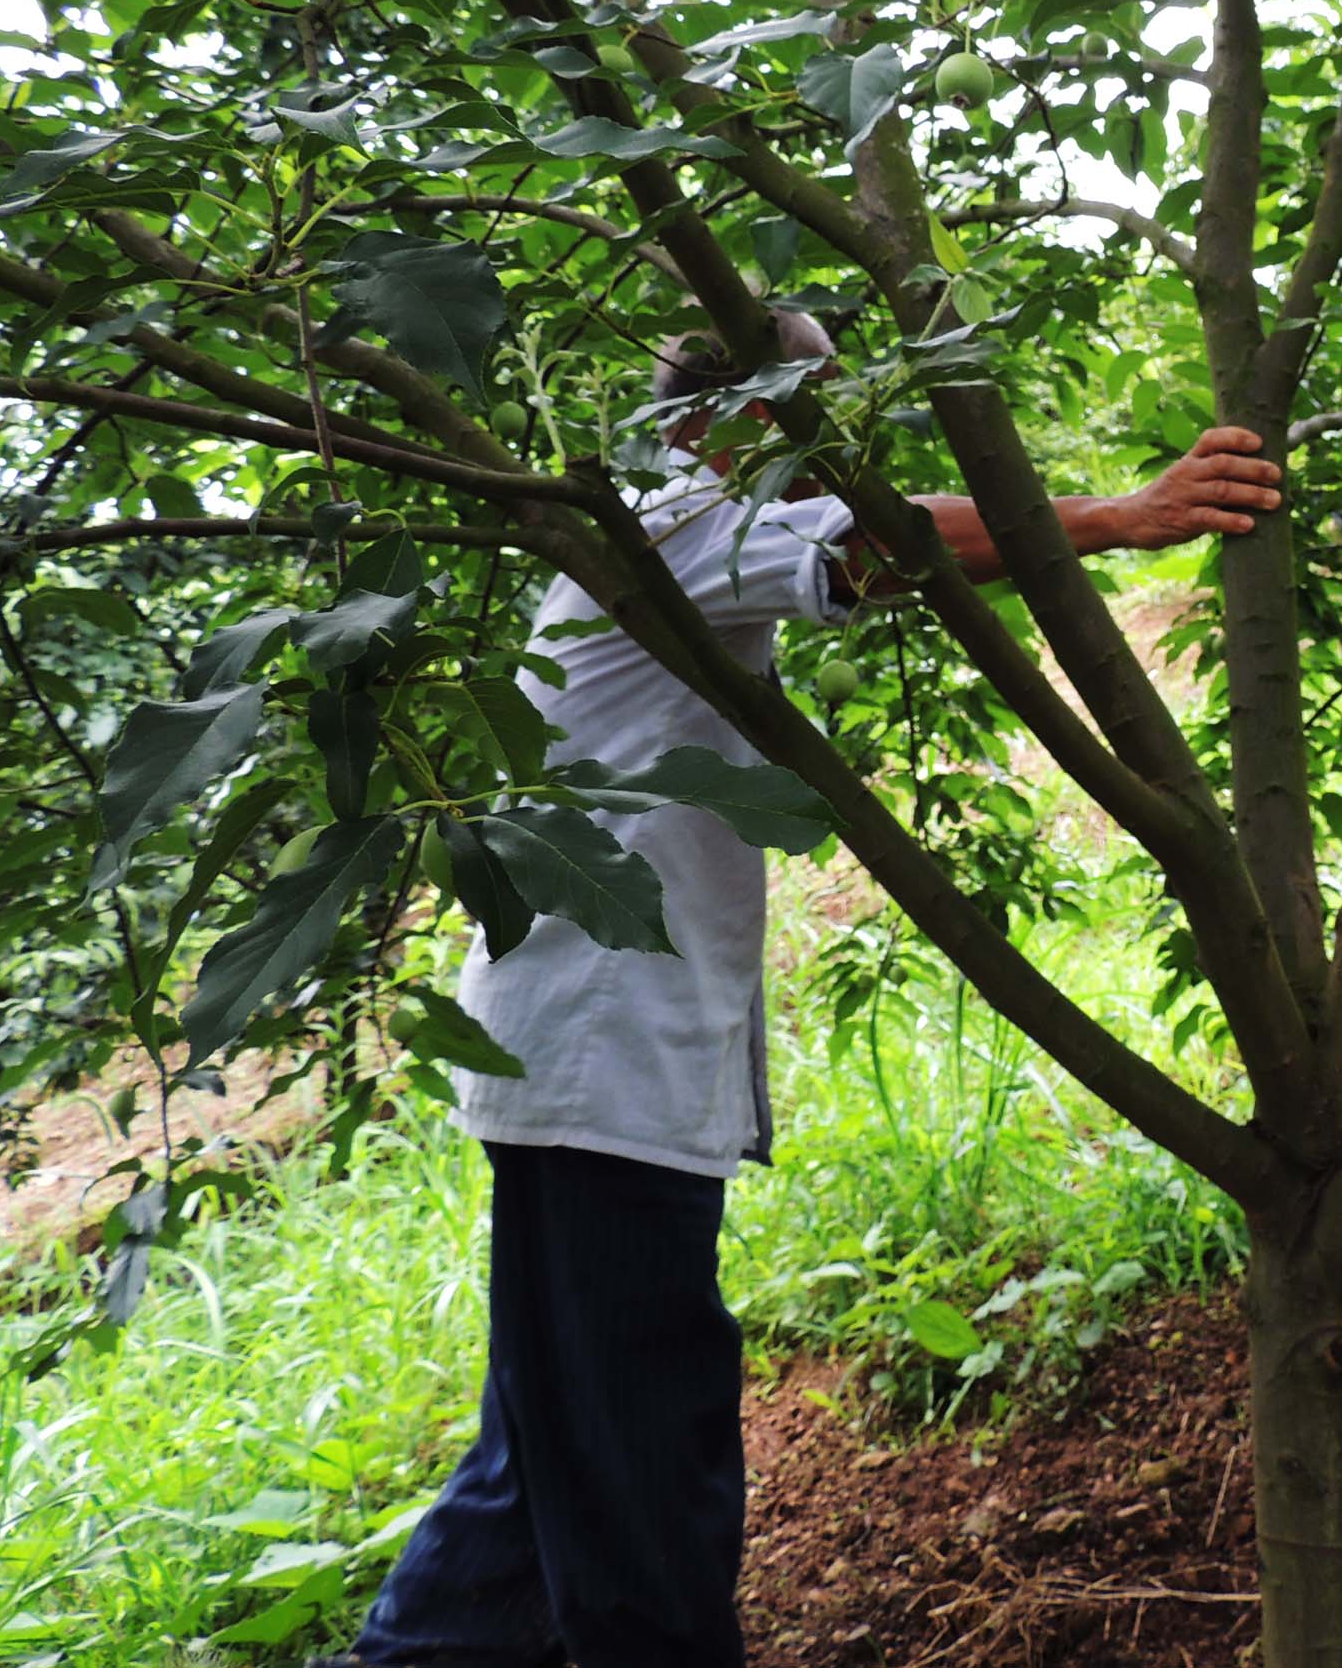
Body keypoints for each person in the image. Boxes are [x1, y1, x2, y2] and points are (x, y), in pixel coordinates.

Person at [318, 309, 1284, 1668]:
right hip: (602, 1067)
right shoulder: (668, 516)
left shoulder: (666, 522)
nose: (842, 449)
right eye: (817, 414)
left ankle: (423, 1654)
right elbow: (876, 539)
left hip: (581, 1062)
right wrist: (1123, 515)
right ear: (742, 414)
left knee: (551, 1433)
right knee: (640, 1429)